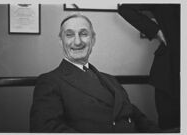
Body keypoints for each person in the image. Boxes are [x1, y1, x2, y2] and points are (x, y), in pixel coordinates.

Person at [30, 14, 161, 133]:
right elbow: (45, 129)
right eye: (69, 35)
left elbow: (135, 115)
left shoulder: (110, 79)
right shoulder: (49, 81)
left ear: (93, 40)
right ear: (61, 41)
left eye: (84, 34)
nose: (77, 41)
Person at [117, 4, 180, 130]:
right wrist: (156, 31)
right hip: (169, 70)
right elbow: (125, 9)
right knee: (169, 123)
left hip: (169, 68)